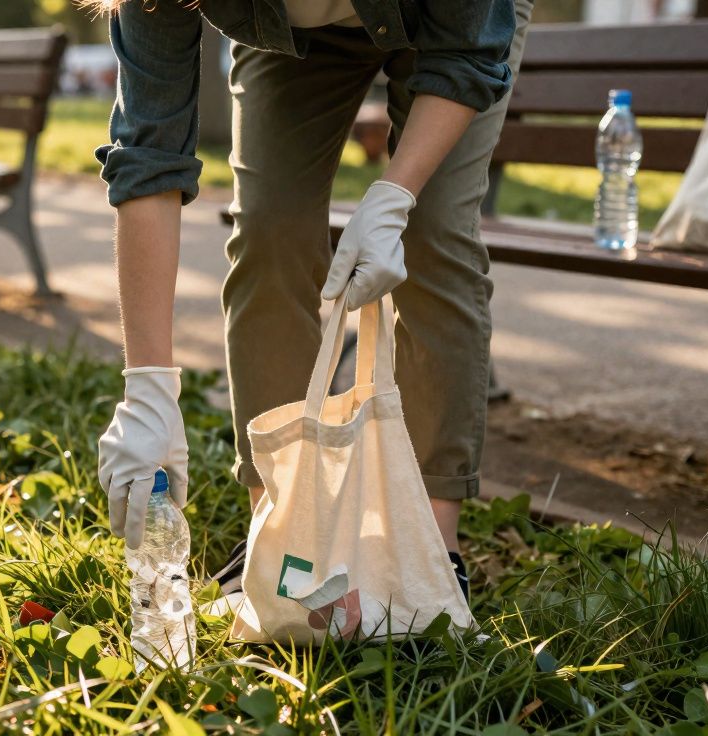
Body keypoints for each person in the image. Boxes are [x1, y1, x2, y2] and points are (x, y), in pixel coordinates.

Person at [95, 0, 536, 600]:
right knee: (269, 230)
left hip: (451, 25)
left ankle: (429, 550)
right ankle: (279, 533)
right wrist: (147, 389)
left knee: (434, 232)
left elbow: (468, 53)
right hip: (290, 42)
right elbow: (148, 154)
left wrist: (395, 196)